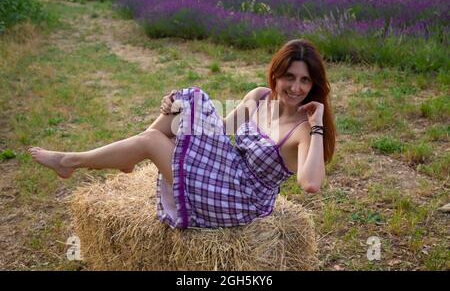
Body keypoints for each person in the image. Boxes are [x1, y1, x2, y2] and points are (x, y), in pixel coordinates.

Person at [29, 39, 336, 229]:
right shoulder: (258, 97)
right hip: (225, 172)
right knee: (189, 100)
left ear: (313, 85)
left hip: (243, 200)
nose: (296, 88)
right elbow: (221, 130)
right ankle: (133, 154)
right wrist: (176, 109)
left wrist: (318, 124)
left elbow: (310, 184)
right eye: (289, 77)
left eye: (305, 81)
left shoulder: (304, 130)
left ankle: (73, 161)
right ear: (275, 75)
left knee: (152, 140)